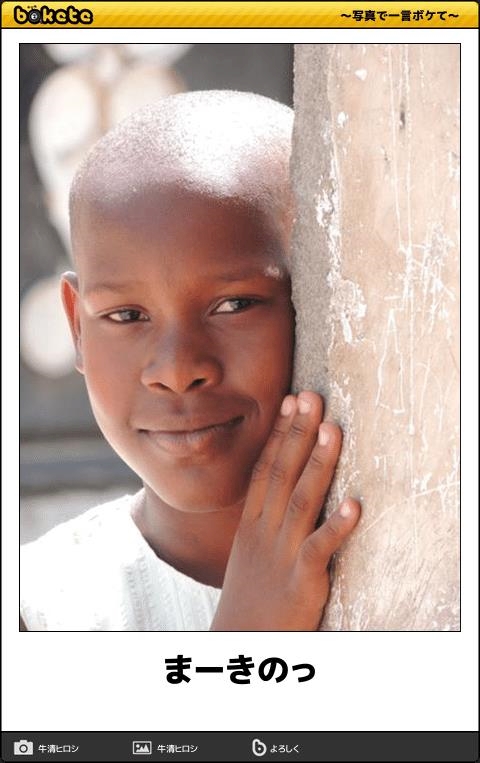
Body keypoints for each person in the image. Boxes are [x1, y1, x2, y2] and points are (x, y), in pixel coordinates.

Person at [20, 90, 361, 631]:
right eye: (126, 315)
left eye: (234, 305)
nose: (178, 371)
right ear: (76, 326)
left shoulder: (423, 558)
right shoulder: (39, 608)